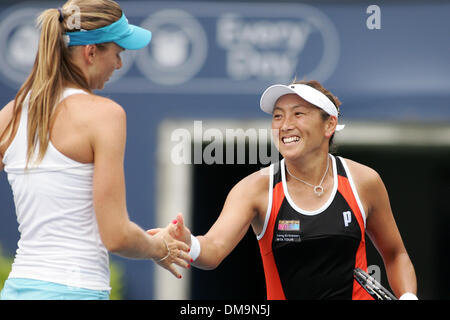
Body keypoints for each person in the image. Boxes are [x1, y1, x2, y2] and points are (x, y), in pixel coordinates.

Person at [156, 80, 418, 300]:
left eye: (298, 114)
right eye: (278, 115)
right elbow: (213, 249)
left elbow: (396, 254)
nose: (285, 124)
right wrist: (187, 243)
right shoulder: (255, 189)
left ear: (329, 125)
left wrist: (408, 298)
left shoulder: (364, 181)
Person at [0, 0, 191, 300]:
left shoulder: (10, 114)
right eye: (117, 53)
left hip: (16, 289)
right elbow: (115, 236)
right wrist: (160, 246)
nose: (118, 64)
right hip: (75, 291)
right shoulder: (106, 115)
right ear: (91, 53)